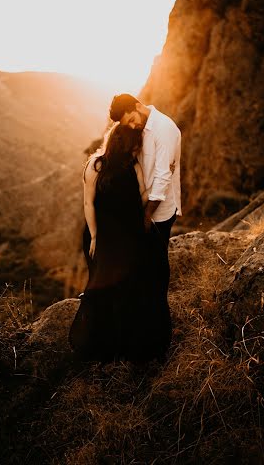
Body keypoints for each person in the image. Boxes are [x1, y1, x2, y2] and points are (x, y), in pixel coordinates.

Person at [69, 123, 172, 363]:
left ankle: (136, 342)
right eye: (134, 145)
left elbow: (143, 196)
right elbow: (88, 203)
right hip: (104, 235)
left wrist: (160, 177)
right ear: (122, 143)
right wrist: (94, 236)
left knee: (143, 281)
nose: (137, 150)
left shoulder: (132, 164)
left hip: (131, 233)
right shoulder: (95, 165)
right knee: (106, 288)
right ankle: (106, 344)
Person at [109, 94, 182, 249]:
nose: (133, 126)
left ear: (137, 106)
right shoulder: (141, 126)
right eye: (128, 124)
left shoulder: (163, 128)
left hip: (159, 209)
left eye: (131, 120)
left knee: (157, 260)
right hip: (141, 205)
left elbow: (163, 176)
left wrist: (147, 215)